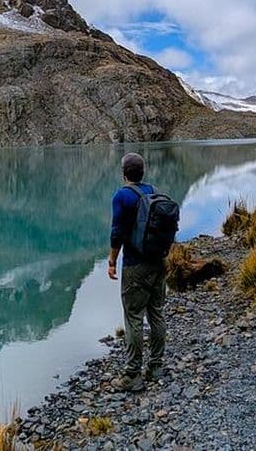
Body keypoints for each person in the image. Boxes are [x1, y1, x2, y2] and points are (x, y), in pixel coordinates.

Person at [107, 152, 167, 392]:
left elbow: (116, 233)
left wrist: (112, 261)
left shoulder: (122, 196)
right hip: (158, 263)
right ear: (142, 172)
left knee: (133, 318)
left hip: (135, 265)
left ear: (124, 173)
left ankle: (133, 374)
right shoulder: (152, 190)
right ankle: (156, 367)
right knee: (157, 313)